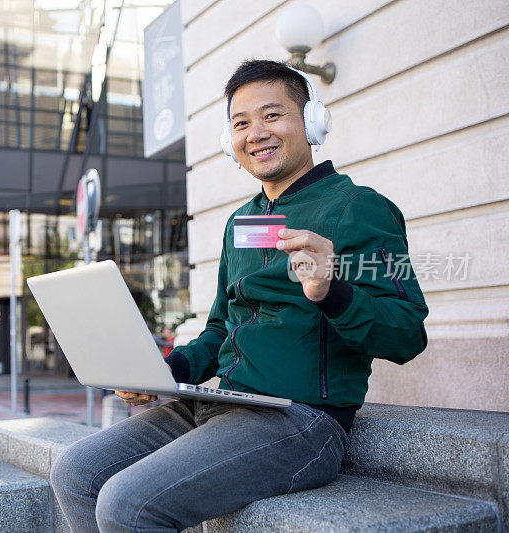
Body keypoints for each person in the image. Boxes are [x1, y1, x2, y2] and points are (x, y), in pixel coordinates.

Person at [49, 59, 429, 532]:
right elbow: (219, 329)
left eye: (272, 115)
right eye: (241, 123)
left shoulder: (360, 209)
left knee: (127, 505)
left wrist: (331, 291)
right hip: (217, 407)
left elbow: (407, 334)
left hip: (299, 422)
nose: (256, 133)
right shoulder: (241, 223)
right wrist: (165, 373)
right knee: (76, 472)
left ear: (311, 121)